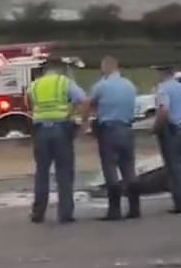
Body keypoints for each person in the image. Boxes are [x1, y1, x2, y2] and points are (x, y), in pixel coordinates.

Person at [26, 58, 87, 224]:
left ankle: (38, 213)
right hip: (61, 129)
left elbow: (29, 102)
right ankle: (65, 213)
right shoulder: (64, 82)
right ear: (58, 68)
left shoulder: (35, 85)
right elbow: (83, 99)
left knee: (42, 173)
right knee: (64, 172)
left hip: (40, 132)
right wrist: (82, 121)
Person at [86, 56, 140, 220]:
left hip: (109, 130)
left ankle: (114, 211)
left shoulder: (101, 86)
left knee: (110, 170)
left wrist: (86, 122)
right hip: (127, 129)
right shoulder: (130, 85)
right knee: (129, 169)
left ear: (105, 68)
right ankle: (134, 209)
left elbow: (89, 103)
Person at [154, 66, 181, 214]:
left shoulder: (162, 89)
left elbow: (164, 110)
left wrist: (156, 127)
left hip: (172, 131)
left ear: (162, 73)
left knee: (175, 169)